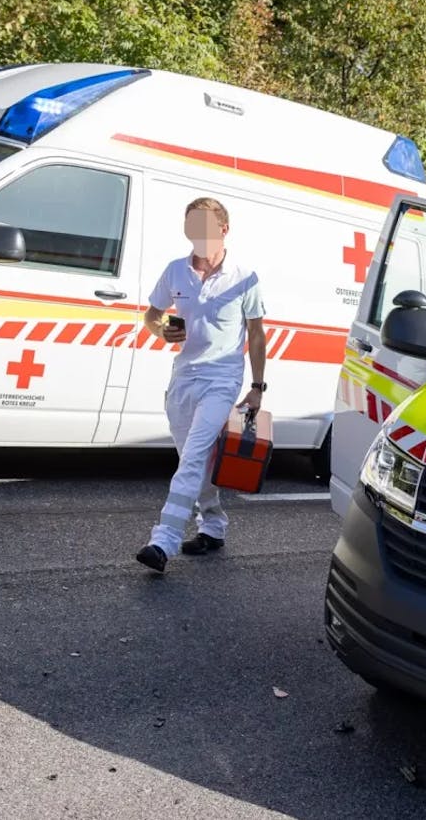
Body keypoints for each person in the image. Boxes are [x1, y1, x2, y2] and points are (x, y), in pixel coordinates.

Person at [135, 197, 267, 573]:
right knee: (193, 459)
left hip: (222, 378)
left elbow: (256, 335)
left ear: (224, 230)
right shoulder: (175, 271)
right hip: (183, 377)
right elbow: (152, 316)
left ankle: (164, 540)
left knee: (193, 456)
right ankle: (213, 526)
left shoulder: (245, 277)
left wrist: (257, 387)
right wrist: (163, 331)